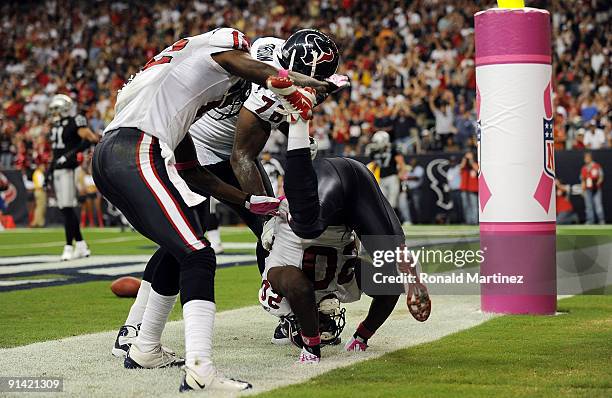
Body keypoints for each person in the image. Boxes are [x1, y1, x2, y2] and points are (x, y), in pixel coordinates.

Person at [95, 28, 331, 392]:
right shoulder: (227, 49)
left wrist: (250, 201)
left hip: (122, 150)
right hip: (138, 150)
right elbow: (269, 76)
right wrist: (308, 85)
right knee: (199, 255)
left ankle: (144, 347)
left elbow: (195, 172)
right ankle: (200, 370)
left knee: (182, 249)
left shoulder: (178, 89)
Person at [258, 118, 430, 363]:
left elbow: (299, 287)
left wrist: (311, 345)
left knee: (307, 226)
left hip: (323, 195)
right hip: (354, 184)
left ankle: (298, 121)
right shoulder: (341, 284)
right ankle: (399, 253)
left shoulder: (281, 292)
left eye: (323, 321)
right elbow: (390, 288)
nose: (328, 320)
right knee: (390, 260)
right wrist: (362, 335)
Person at [47, 94, 99, 260]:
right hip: (57, 169)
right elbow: (55, 153)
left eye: (56, 109)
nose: (54, 113)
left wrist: (70, 156)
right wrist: (49, 171)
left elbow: (90, 138)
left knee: (67, 208)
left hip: (70, 169)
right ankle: (82, 245)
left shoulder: (75, 121)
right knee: (65, 209)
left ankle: (69, 246)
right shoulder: (55, 125)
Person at [365, 131, 402, 214]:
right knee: (382, 202)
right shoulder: (374, 151)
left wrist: (401, 174)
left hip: (392, 177)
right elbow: (374, 165)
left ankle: (395, 221)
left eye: (376, 141)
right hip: (381, 178)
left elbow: (400, 162)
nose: (375, 144)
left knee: (392, 201)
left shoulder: (393, 148)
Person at [580, 152, 605, 224]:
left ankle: (601, 220)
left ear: (590, 158)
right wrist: (583, 190)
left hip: (596, 188)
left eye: (587, 157)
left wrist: (598, 183)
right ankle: (590, 220)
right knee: (588, 206)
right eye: (585, 158)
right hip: (588, 189)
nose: (585, 159)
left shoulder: (596, 166)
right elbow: (583, 180)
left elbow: (601, 176)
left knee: (598, 205)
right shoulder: (584, 168)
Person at [460, 152, 479, 225]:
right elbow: (461, 167)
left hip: (473, 189)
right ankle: (468, 221)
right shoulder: (464, 168)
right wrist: (465, 159)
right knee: (466, 206)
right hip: (464, 189)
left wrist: (471, 160)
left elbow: (477, 169)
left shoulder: (474, 165)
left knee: (474, 205)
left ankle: (474, 221)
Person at [446, 156, 463, 224]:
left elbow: (462, 166)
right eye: (451, 161)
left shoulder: (458, 168)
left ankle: (462, 220)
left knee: (460, 206)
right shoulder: (449, 170)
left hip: (459, 190)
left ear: (456, 162)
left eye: (453, 161)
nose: (452, 163)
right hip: (452, 191)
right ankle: (457, 221)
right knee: (454, 207)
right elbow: (449, 181)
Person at [30, 161, 47, 227]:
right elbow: (41, 184)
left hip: (38, 191)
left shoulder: (37, 173)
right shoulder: (38, 173)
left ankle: (36, 222)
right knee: (40, 207)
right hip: (40, 191)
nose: (44, 167)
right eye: (43, 166)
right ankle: (39, 222)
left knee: (38, 207)